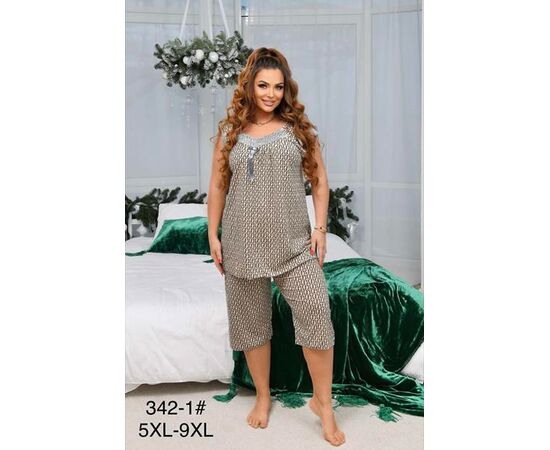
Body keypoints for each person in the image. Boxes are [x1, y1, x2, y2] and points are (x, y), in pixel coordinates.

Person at [207, 47, 345, 447]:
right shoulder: (230, 132)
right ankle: (263, 396)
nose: (270, 94)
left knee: (316, 313)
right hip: (241, 241)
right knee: (252, 324)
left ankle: (323, 404)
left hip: (293, 244)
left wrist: (320, 228)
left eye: (278, 87)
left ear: (287, 90)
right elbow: (217, 185)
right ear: (249, 86)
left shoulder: (298, 130)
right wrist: (212, 234)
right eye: (263, 85)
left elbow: (319, 181)